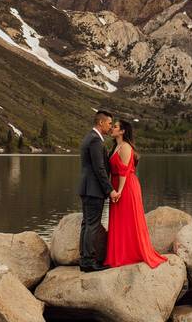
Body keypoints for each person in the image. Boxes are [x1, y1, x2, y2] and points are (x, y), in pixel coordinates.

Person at [104, 119, 167, 269]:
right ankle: (119, 254)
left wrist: (119, 190)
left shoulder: (125, 147)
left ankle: (131, 254)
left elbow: (124, 171)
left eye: (116, 127)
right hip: (117, 185)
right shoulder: (116, 147)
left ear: (123, 131)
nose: (112, 128)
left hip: (126, 187)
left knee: (128, 219)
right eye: (112, 126)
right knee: (119, 220)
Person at [76, 109, 119, 272]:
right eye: (109, 123)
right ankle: (89, 261)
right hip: (93, 190)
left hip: (87, 188)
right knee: (92, 225)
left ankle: (84, 259)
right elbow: (99, 168)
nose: (110, 127)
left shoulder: (90, 137)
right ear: (101, 123)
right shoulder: (95, 140)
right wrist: (110, 190)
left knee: (87, 223)